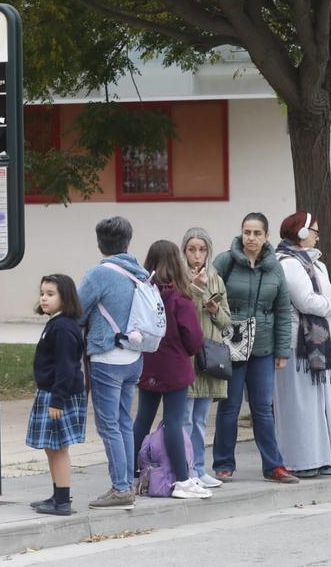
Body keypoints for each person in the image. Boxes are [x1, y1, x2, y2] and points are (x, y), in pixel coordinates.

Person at [210, 213, 297, 484]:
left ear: (266, 236)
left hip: (264, 346)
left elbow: (283, 310)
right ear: (241, 233)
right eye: (247, 232)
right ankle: (223, 464)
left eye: (257, 233)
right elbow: (209, 297)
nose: (251, 238)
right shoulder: (225, 261)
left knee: (262, 408)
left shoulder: (275, 266)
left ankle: (274, 465)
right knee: (229, 406)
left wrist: (282, 351)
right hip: (231, 344)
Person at [275, 212, 331, 478]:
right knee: (301, 406)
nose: (317, 236)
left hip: (320, 345)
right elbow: (306, 301)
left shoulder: (315, 263)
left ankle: (322, 457)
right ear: (302, 233)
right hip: (300, 346)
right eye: (314, 231)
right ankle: (301, 459)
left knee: (320, 405)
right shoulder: (288, 263)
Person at [79, 216, 148, 510]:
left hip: (107, 357)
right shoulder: (141, 272)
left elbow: (77, 311)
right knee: (123, 423)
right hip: (134, 357)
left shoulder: (99, 274)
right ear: (127, 241)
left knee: (109, 426)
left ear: (100, 243)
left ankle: (121, 487)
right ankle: (127, 483)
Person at [132, 240, 209, 499]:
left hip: (148, 364)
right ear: (177, 262)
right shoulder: (180, 297)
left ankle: (130, 474)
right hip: (175, 367)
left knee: (142, 419)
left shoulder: (142, 293)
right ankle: (183, 480)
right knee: (174, 422)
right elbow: (194, 340)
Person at [27, 274, 87, 516]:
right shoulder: (57, 323)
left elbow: (66, 367)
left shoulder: (62, 327)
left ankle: (62, 501)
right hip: (52, 392)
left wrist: (57, 400)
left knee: (58, 447)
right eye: (42, 293)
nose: (44, 298)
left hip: (58, 395)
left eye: (51, 294)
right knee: (51, 447)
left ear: (66, 297)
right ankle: (57, 494)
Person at [180, 227, 231, 489]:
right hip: (187, 357)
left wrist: (214, 309)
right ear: (184, 251)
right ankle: (185, 470)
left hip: (209, 356)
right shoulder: (178, 278)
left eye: (202, 250)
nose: (197, 255)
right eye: (192, 249)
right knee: (184, 419)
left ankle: (199, 468)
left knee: (200, 420)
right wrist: (192, 288)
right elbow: (174, 307)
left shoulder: (216, 279)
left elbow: (226, 321)